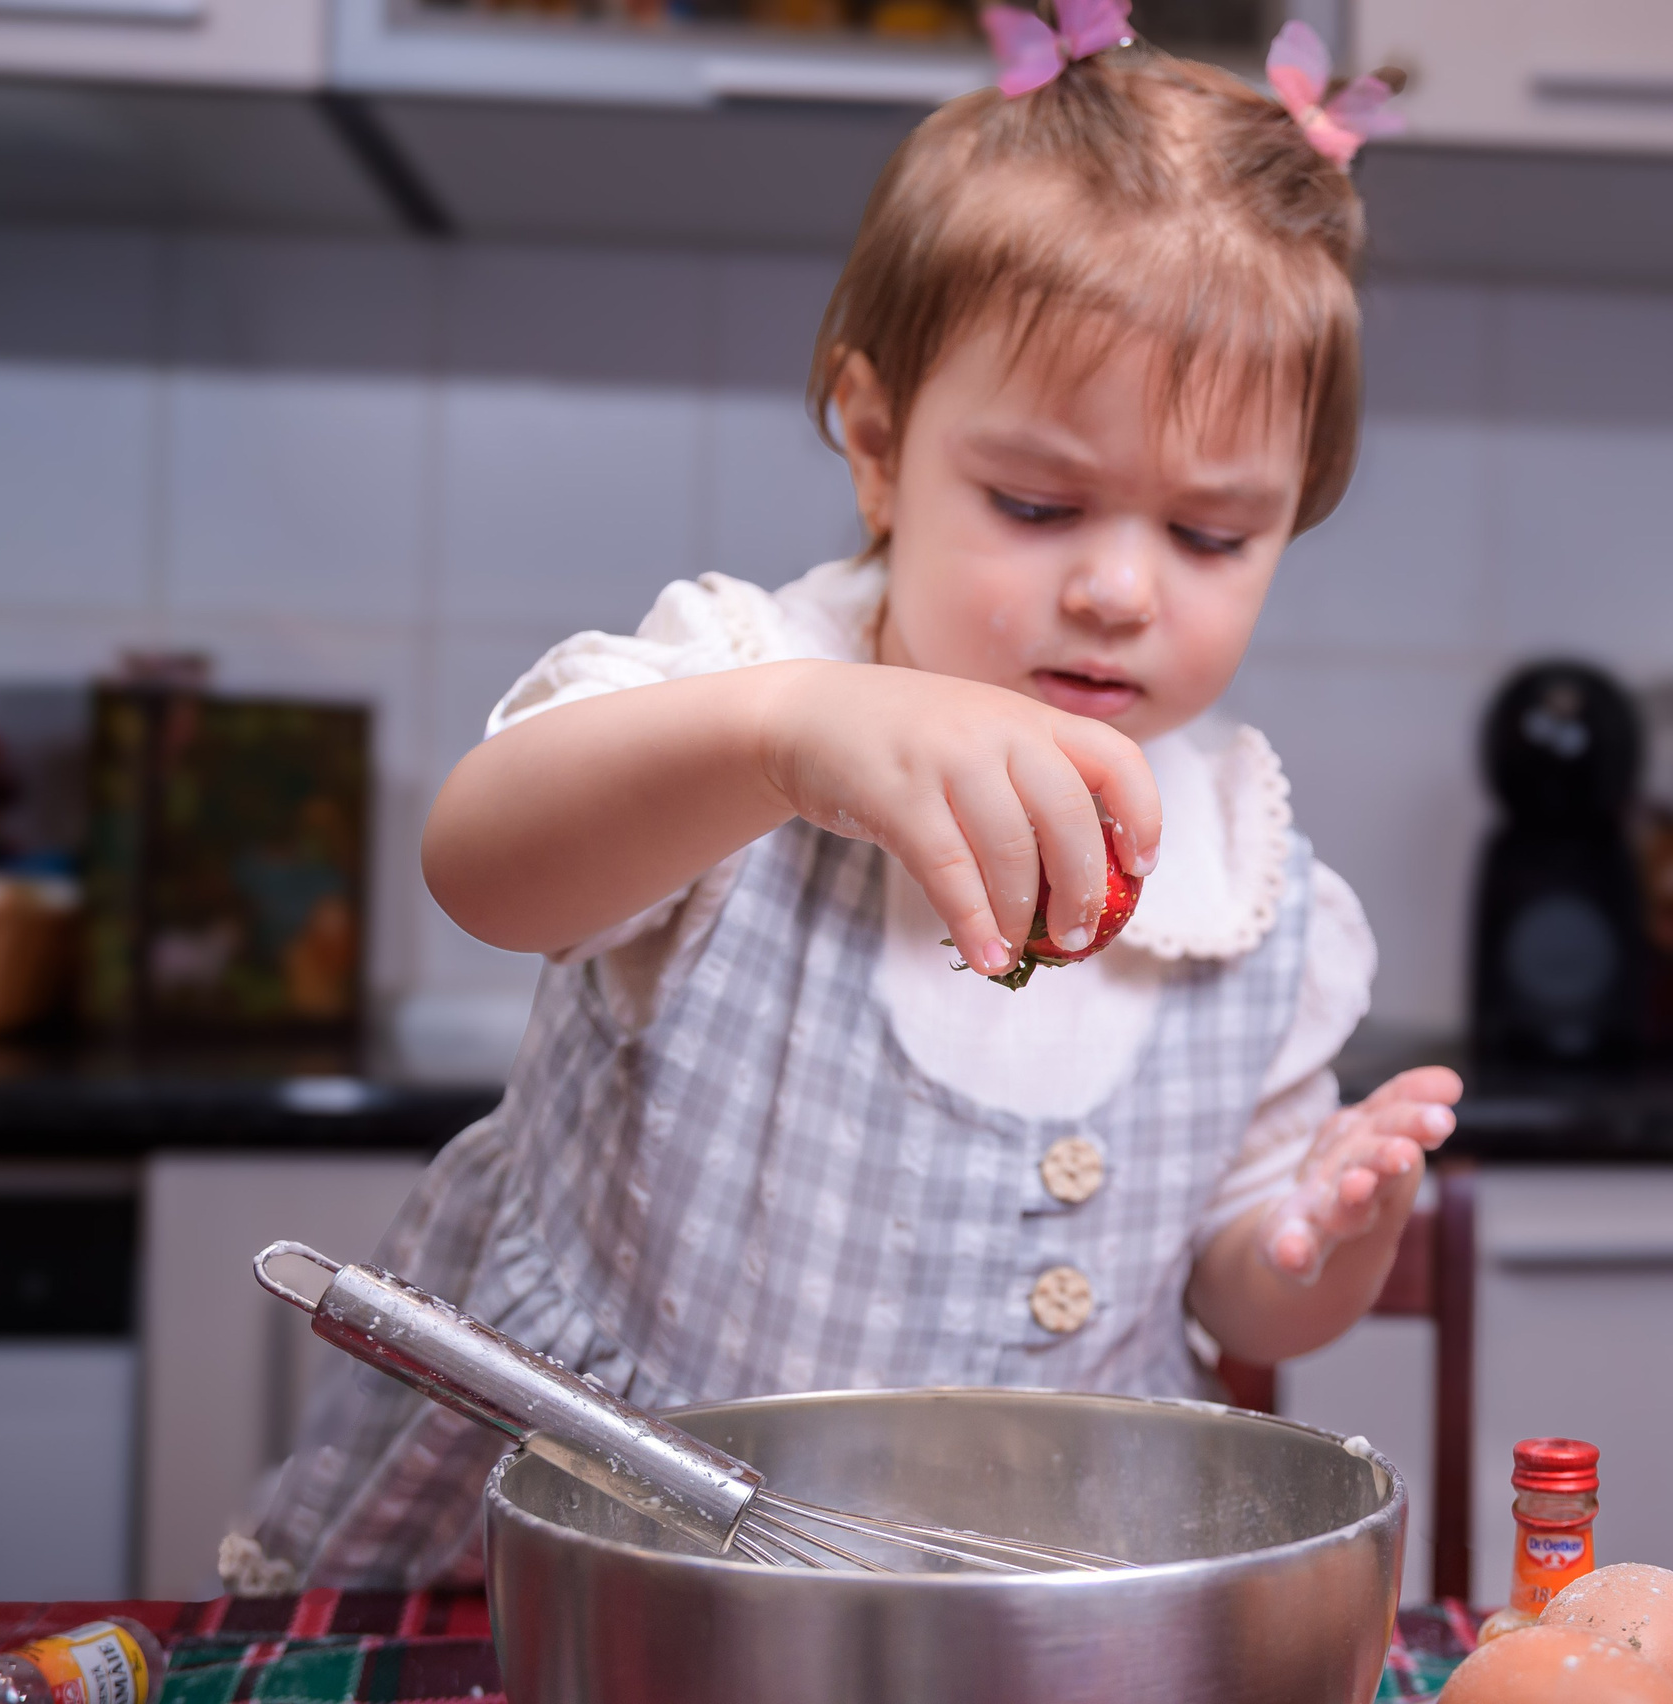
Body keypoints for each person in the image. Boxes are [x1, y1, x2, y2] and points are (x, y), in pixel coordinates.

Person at [228, 15, 1461, 1593]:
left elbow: (1238, 1300)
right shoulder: (747, 686)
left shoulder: (1253, 891)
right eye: (1035, 504)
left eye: (1216, 537)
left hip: (1013, 1612)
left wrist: (1319, 1241)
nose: (1117, 588)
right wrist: (782, 735)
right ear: (878, 444)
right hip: (587, 1575)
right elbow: (487, 871)